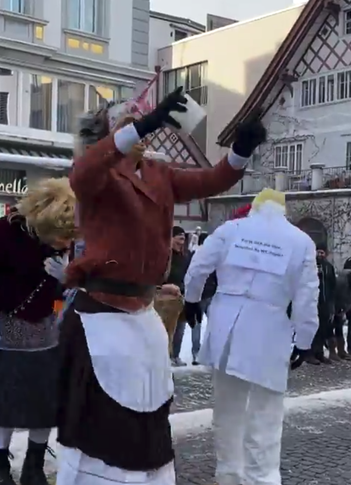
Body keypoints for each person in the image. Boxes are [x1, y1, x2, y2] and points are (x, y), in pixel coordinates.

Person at [56, 87, 265, 485]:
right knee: (105, 418)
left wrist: (241, 148)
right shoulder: (97, 173)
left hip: (142, 313)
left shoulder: (159, 174)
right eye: (129, 126)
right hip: (102, 316)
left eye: (142, 125)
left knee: (150, 405)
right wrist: (145, 123)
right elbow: (82, 173)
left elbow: (211, 180)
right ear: (109, 133)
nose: (141, 133)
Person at [182, 188, 318, 485]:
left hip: (226, 328)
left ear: (254, 206)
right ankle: (263, 479)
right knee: (265, 417)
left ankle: (229, 475)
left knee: (227, 413)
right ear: (283, 211)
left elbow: (199, 267)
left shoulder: (231, 229)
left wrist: (191, 298)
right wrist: (305, 339)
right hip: (269, 330)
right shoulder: (300, 241)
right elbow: (307, 296)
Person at [0, 178, 75, 485]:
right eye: (62, 238)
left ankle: (34, 465)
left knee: (45, 402)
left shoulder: (64, 235)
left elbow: (64, 289)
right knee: (5, 399)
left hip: (47, 329)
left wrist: (68, 282)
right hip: (5, 327)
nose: (66, 245)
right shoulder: (3, 232)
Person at [188, 232, 218, 366]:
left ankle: (203, 353)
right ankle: (198, 353)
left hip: (208, 294)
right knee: (201, 325)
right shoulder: (199, 255)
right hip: (202, 295)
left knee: (209, 325)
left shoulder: (198, 255)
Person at [165, 226, 190, 366]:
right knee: (168, 329)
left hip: (181, 297)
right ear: (171, 238)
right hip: (166, 299)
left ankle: (176, 355)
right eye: (179, 238)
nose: (182, 242)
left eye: (183, 239)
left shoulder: (185, 257)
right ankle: (166, 356)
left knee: (180, 329)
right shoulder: (165, 256)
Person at [308, 241, 337, 365]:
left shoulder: (328, 267)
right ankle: (309, 354)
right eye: (318, 252)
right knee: (311, 328)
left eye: (322, 252)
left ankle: (319, 352)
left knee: (323, 329)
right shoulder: (310, 265)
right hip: (313, 302)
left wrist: (331, 302)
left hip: (325, 302)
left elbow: (332, 285)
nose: (320, 254)